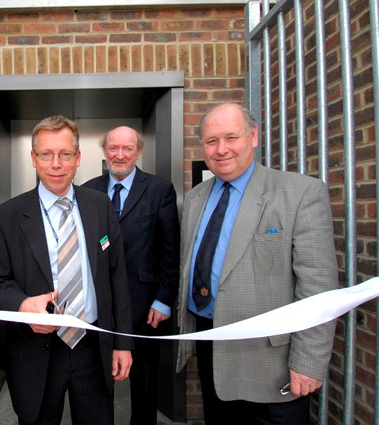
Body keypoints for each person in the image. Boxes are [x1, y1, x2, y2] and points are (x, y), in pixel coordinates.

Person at [177, 103, 338, 425]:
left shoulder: (300, 193)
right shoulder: (194, 199)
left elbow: (318, 287)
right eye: (211, 141)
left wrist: (308, 362)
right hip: (212, 347)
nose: (221, 149)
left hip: (272, 363)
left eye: (231, 137)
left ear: (253, 136)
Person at [0, 115, 134, 425]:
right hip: (36, 351)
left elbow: (117, 275)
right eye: (46, 154)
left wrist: (123, 342)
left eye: (65, 154)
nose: (56, 164)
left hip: (93, 346)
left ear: (78, 158)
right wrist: (24, 305)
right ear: (33, 158)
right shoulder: (6, 216)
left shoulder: (100, 205)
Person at [83, 126, 180, 425]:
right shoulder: (87, 190)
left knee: (145, 384)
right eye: (114, 148)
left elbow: (170, 250)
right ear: (104, 150)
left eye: (127, 148)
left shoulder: (160, 190)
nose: (120, 154)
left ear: (138, 152)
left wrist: (164, 299)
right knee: (98, 382)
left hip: (146, 307)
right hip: (98, 305)